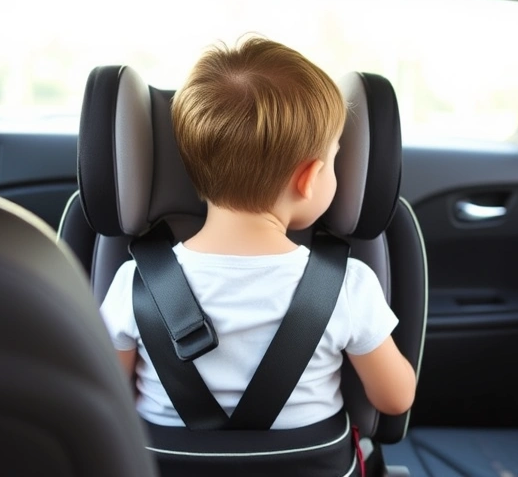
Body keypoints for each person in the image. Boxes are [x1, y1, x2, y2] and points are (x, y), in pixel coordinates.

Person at [100, 36, 416, 430]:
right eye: (334, 159)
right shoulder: (348, 286)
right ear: (309, 179)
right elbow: (395, 399)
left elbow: (108, 397)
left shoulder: (135, 284)